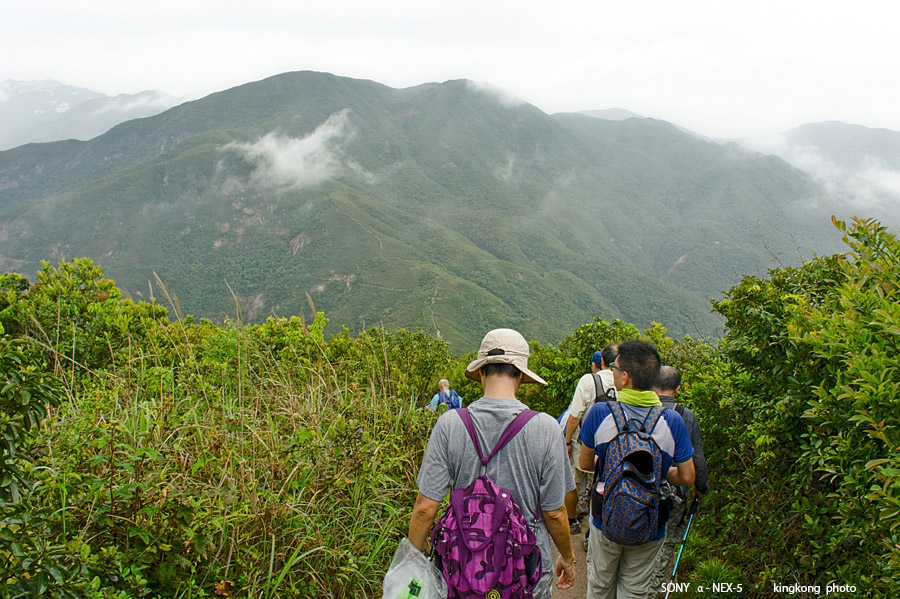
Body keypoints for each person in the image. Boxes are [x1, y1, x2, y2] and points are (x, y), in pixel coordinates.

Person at [408, 328, 578, 596]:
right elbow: (555, 513)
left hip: (463, 564)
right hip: (527, 563)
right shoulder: (545, 428)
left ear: (481, 373)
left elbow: (425, 508)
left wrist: (412, 562)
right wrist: (568, 557)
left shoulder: (450, 424)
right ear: (520, 375)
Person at [579, 340, 695, 599]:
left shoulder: (601, 412)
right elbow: (687, 476)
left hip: (605, 516)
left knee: (600, 585)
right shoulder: (672, 420)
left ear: (624, 377)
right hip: (651, 521)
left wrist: (615, 466)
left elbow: (585, 463)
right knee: (636, 589)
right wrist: (652, 471)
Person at [649, 366, 709, 591]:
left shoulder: (643, 411)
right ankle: (653, 589)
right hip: (675, 492)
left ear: (652, 386)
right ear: (678, 389)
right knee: (667, 541)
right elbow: (698, 459)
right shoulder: (686, 416)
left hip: (642, 488)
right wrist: (701, 487)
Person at [563, 345, 618, 530]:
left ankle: (571, 521)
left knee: (573, 480)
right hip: (612, 444)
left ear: (601, 361)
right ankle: (594, 526)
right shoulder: (625, 382)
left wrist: (567, 440)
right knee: (602, 480)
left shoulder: (589, 380)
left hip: (584, 441)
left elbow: (574, 415)